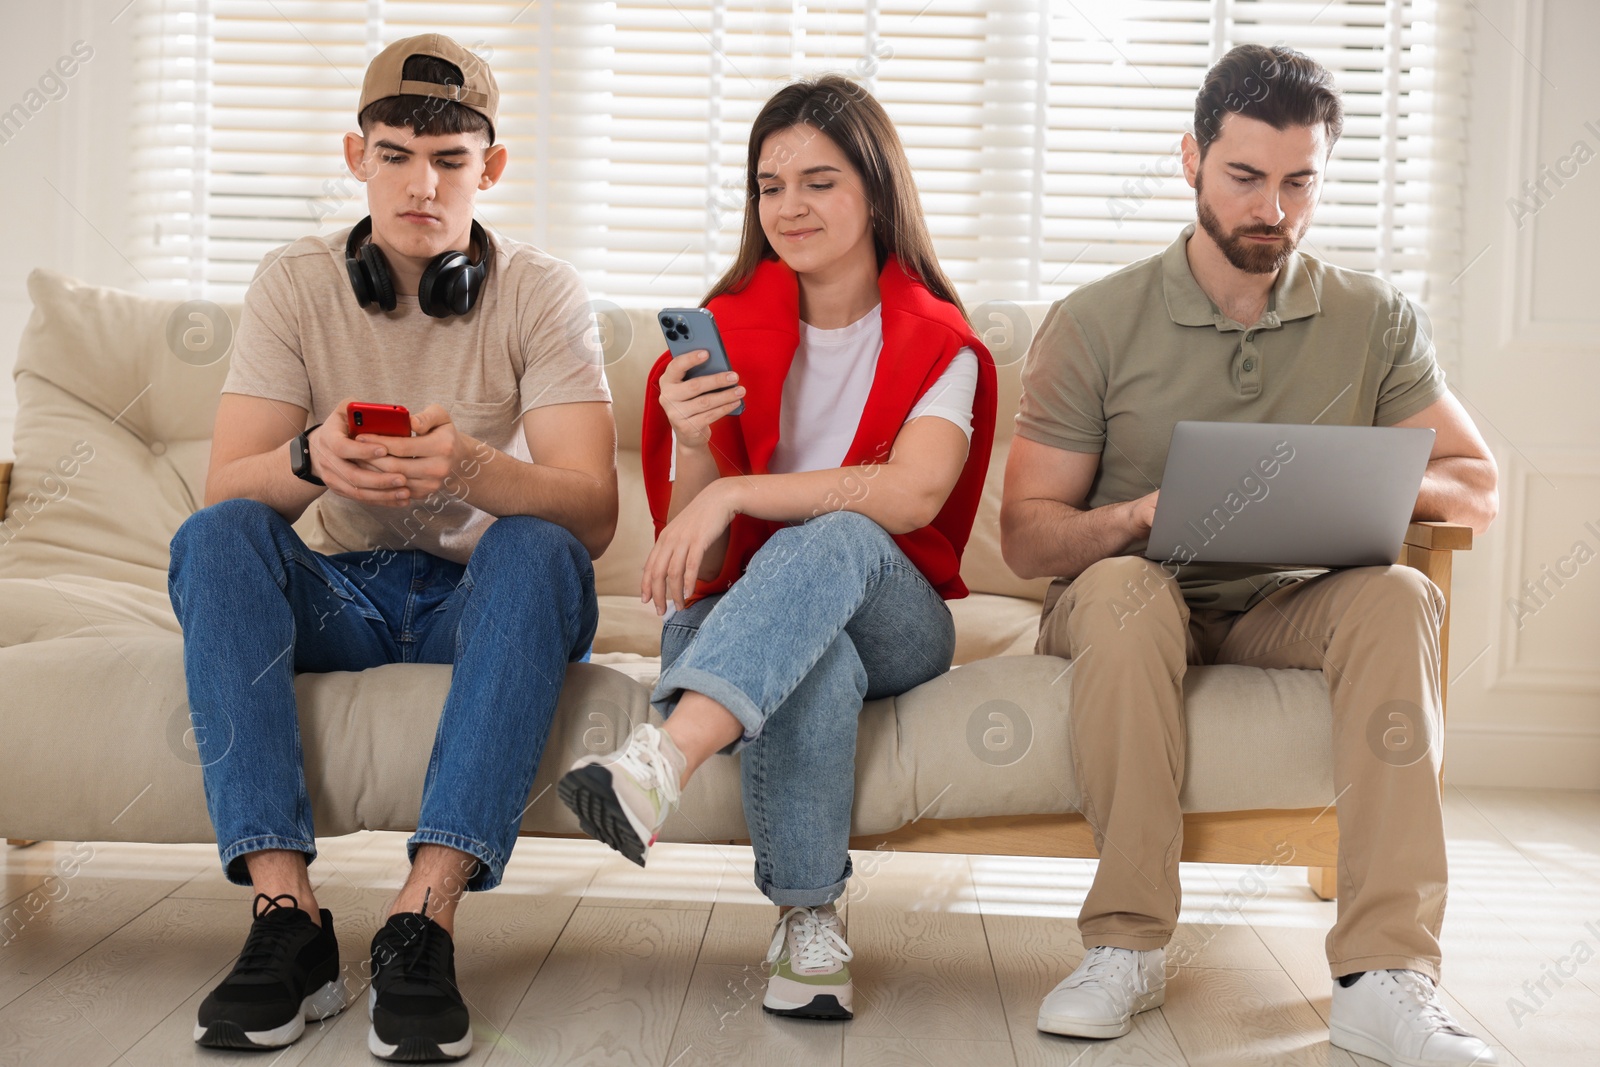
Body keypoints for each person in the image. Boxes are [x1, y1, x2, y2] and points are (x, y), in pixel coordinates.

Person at [1000, 44, 1499, 1067]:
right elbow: (1026, 532)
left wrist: (1345, 473)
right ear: (1189, 159)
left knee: (1398, 595)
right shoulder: (1095, 320)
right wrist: (1137, 517)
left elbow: (1474, 485)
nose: (1271, 206)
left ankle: (1381, 976)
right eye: (1243, 175)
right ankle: (1124, 945)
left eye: (1298, 180)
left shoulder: (1373, 317)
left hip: (1285, 603)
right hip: (1128, 595)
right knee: (1134, 594)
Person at [166, 34, 617, 1062]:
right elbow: (226, 490)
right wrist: (310, 456)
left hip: (484, 597)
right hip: (345, 593)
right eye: (396, 154)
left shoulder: (540, 290)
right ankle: (288, 918)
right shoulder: (294, 282)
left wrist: (468, 469)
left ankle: (424, 915)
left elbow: (591, 512)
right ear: (355, 155)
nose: (421, 183)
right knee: (219, 535)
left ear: (490, 169)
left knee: (540, 551)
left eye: (450, 160)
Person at [556, 74, 996, 1022]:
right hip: (741, 618)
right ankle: (808, 923)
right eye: (770, 185)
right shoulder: (721, 330)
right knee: (813, 660)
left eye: (819, 181)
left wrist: (747, 491)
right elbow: (699, 562)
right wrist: (689, 439)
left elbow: (913, 493)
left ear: (876, 189)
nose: (789, 206)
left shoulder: (940, 341)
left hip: (896, 616)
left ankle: (661, 760)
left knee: (839, 528)